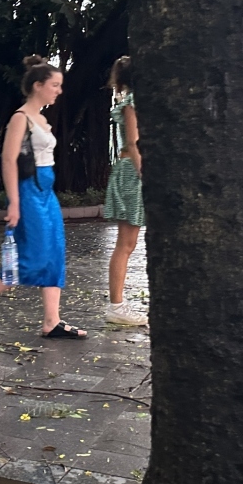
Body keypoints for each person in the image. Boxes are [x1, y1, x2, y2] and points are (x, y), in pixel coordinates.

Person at [0, 56, 87, 338]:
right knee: (32, 256)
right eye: (54, 85)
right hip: (28, 192)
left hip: (46, 193)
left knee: (55, 250)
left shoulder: (42, 119)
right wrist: (15, 203)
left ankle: (52, 321)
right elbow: (8, 161)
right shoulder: (20, 119)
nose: (59, 90)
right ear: (38, 86)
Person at [104, 57, 148, 326]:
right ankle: (116, 305)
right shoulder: (130, 105)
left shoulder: (134, 102)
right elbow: (132, 144)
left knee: (128, 243)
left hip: (133, 171)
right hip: (132, 173)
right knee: (126, 243)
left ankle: (117, 304)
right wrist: (145, 174)